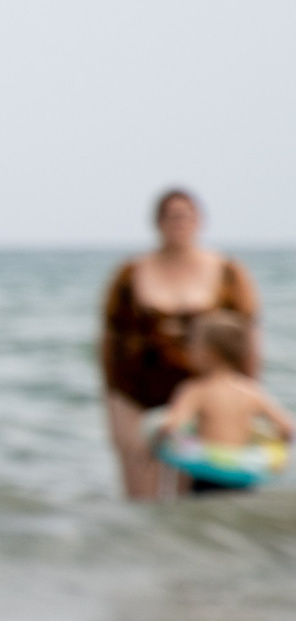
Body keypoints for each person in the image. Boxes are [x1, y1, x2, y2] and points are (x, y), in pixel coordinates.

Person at [100, 188, 262, 500]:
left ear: (199, 220)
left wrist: (245, 397)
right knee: (141, 498)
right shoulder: (129, 274)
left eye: (185, 216)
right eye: (170, 216)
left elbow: (249, 340)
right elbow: (109, 342)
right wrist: (111, 401)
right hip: (136, 393)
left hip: (205, 397)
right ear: (157, 222)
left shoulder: (229, 273)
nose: (178, 223)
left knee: (194, 501)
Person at [154, 311, 291, 494]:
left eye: (192, 343)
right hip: (243, 476)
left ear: (209, 353)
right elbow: (287, 429)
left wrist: (155, 440)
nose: (187, 350)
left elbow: (172, 426)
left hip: (207, 476)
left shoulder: (196, 390)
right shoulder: (251, 390)